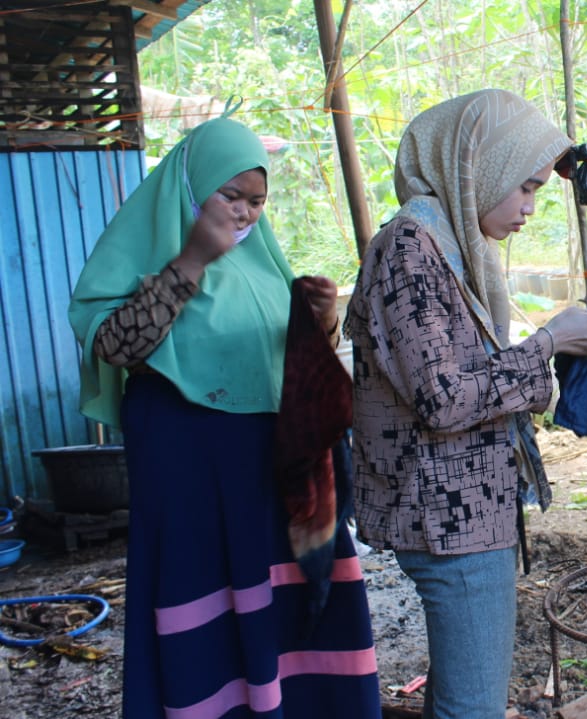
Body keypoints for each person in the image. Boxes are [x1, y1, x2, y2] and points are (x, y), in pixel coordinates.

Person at [68, 117, 381, 716]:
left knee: (282, 599)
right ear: (190, 188)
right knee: (207, 590)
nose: (243, 213)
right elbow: (115, 345)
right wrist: (192, 258)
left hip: (269, 465)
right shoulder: (152, 252)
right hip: (189, 467)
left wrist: (318, 320)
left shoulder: (261, 265)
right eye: (229, 196)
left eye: (256, 201)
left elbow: (284, 366)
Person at [344, 89, 587, 719]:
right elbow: (443, 397)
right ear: (479, 168)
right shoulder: (409, 250)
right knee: (473, 709)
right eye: (524, 187)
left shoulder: (451, 248)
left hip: (467, 512)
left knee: (461, 693)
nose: (528, 207)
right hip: (448, 520)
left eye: (538, 191)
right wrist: (547, 342)